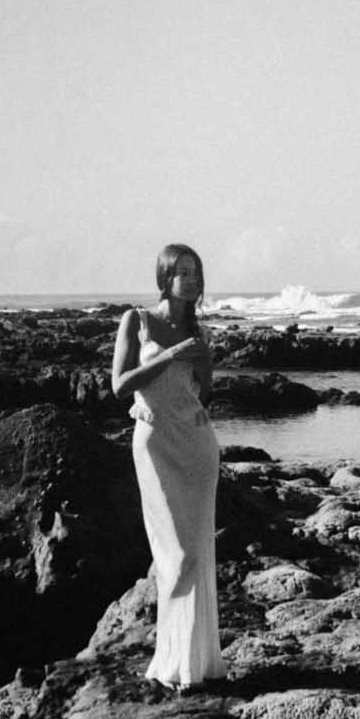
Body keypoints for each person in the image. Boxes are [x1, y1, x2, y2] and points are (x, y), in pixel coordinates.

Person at [112, 242, 225, 688]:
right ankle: (172, 661)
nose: (192, 281)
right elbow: (120, 385)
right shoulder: (137, 321)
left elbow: (203, 395)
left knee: (198, 552)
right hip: (156, 442)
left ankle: (197, 665)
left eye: (196, 273)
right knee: (175, 555)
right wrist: (169, 355)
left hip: (197, 443)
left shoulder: (199, 332)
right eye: (183, 273)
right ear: (164, 277)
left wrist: (205, 362)